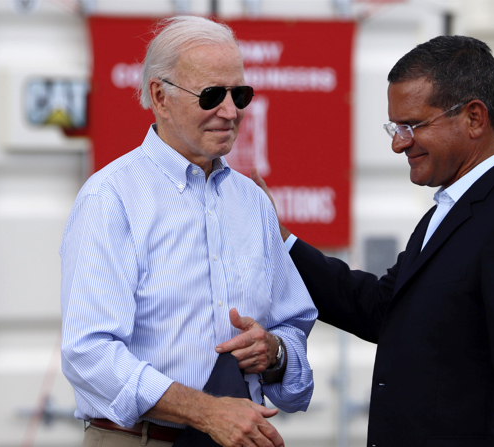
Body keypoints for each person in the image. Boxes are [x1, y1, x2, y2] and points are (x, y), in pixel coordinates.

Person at [252, 35, 494, 446]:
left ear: (474, 118)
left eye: (412, 125)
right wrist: (279, 238)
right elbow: (378, 309)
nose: (398, 143)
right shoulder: (453, 208)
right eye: (395, 126)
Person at [60, 16, 317, 447]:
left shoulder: (253, 202)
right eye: (212, 95)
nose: (231, 111)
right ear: (160, 96)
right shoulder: (112, 197)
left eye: (241, 94)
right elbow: (89, 354)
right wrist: (207, 411)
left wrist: (274, 353)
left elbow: (295, 324)